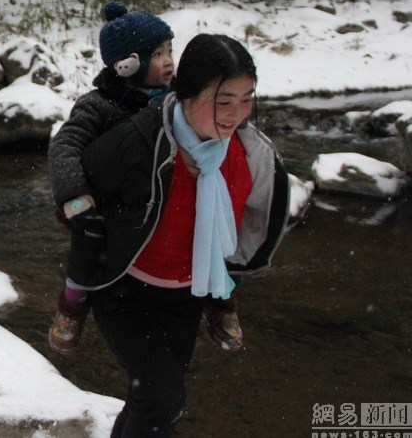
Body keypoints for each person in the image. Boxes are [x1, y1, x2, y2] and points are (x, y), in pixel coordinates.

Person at [76, 34, 290, 436]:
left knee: (156, 401)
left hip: (188, 293)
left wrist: (230, 278)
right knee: (161, 397)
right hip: (122, 289)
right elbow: (79, 189)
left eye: (247, 99)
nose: (237, 114)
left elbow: (258, 220)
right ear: (187, 94)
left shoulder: (250, 153)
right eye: (224, 100)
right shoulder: (141, 140)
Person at [46, 1, 175, 356]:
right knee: (90, 245)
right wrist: (74, 194)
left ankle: (215, 295)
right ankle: (72, 304)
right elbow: (66, 144)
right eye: (157, 54)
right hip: (108, 199)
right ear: (127, 63)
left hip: (154, 194)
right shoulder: (100, 104)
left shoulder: (176, 99)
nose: (167, 61)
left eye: (169, 51)